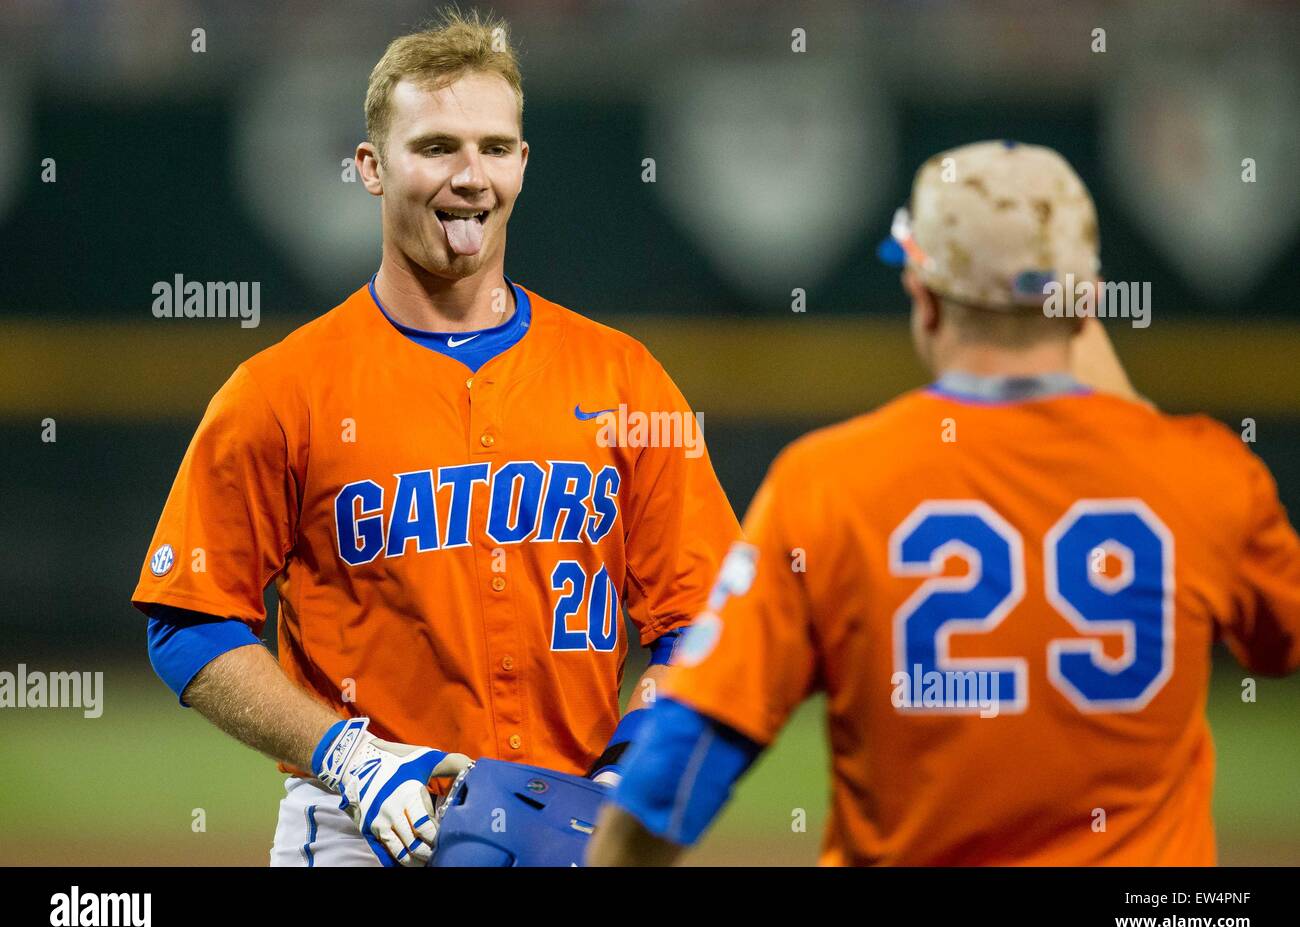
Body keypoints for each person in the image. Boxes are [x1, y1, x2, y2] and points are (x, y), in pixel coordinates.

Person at [131, 10, 737, 867]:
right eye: (436, 147)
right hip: (363, 826)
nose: (469, 177)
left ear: (523, 163)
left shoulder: (623, 377)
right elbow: (187, 620)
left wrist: (633, 767)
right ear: (372, 169)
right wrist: (344, 753)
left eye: (495, 148)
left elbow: (707, 614)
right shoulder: (284, 389)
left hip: (570, 820)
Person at [587, 140, 1300, 866]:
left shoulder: (828, 482)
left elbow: (685, 758)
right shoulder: (1209, 476)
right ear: (1090, 302)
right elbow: (1282, 641)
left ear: (922, 296)